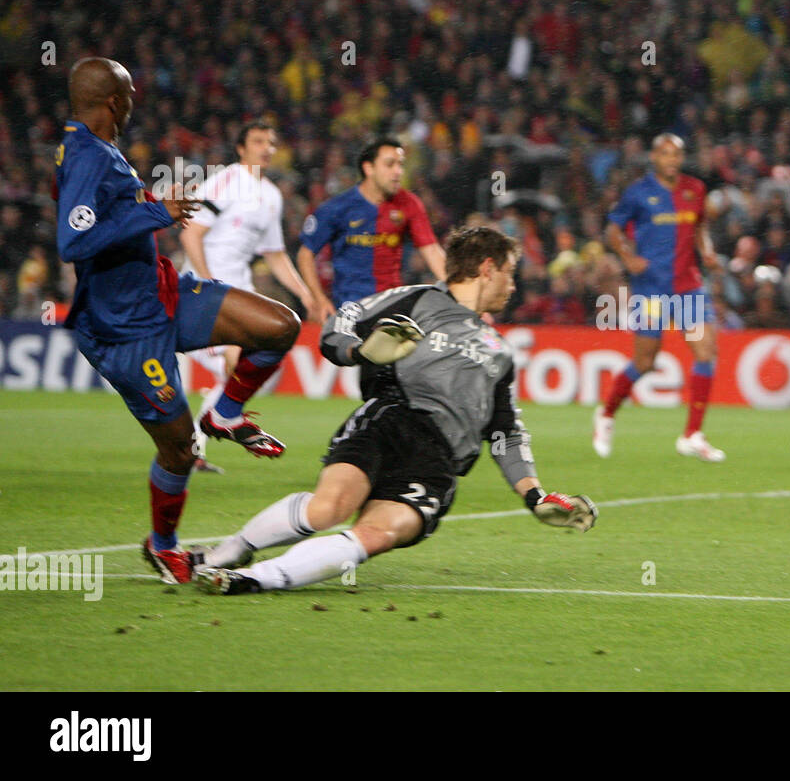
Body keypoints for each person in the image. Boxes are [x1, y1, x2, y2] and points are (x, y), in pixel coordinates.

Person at [195, 226, 595, 594]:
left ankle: (250, 580)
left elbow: (506, 433)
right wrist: (359, 351)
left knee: (378, 534)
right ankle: (226, 553)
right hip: (389, 421)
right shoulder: (419, 299)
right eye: (510, 272)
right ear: (487, 269)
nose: (514, 284)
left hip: (437, 464)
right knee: (329, 508)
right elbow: (340, 324)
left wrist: (535, 497)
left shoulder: (500, 350)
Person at [54, 57, 300, 584]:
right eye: (130, 94)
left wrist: (149, 208)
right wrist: (155, 212)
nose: (135, 101)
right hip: (125, 332)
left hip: (163, 292)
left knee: (279, 326)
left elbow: (108, 221)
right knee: (180, 451)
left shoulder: (98, 149)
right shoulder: (85, 157)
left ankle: (227, 414)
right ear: (114, 102)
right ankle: (163, 545)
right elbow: (72, 240)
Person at [179, 121, 321, 473]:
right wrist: (209, 283)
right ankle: (199, 437)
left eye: (271, 143)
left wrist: (304, 292)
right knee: (235, 365)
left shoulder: (271, 195)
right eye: (258, 141)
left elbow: (274, 254)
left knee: (239, 369)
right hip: (206, 290)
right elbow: (191, 233)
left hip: (239, 290)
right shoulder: (226, 181)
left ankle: (193, 445)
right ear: (241, 148)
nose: (266, 148)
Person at [594, 133, 726, 462]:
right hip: (651, 289)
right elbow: (613, 228)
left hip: (688, 287)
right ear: (654, 158)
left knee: (706, 351)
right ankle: (607, 414)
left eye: (677, 155)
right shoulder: (638, 193)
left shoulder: (694, 189)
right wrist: (627, 258)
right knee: (645, 362)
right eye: (665, 154)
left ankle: (692, 434)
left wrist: (706, 252)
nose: (671, 160)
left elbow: (700, 228)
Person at [296, 137, 445, 317]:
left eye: (400, 164)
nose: (398, 171)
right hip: (349, 308)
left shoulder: (409, 203)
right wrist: (319, 298)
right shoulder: (338, 208)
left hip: (392, 307)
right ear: (369, 168)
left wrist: (460, 295)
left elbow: (432, 251)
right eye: (390, 165)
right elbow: (305, 255)